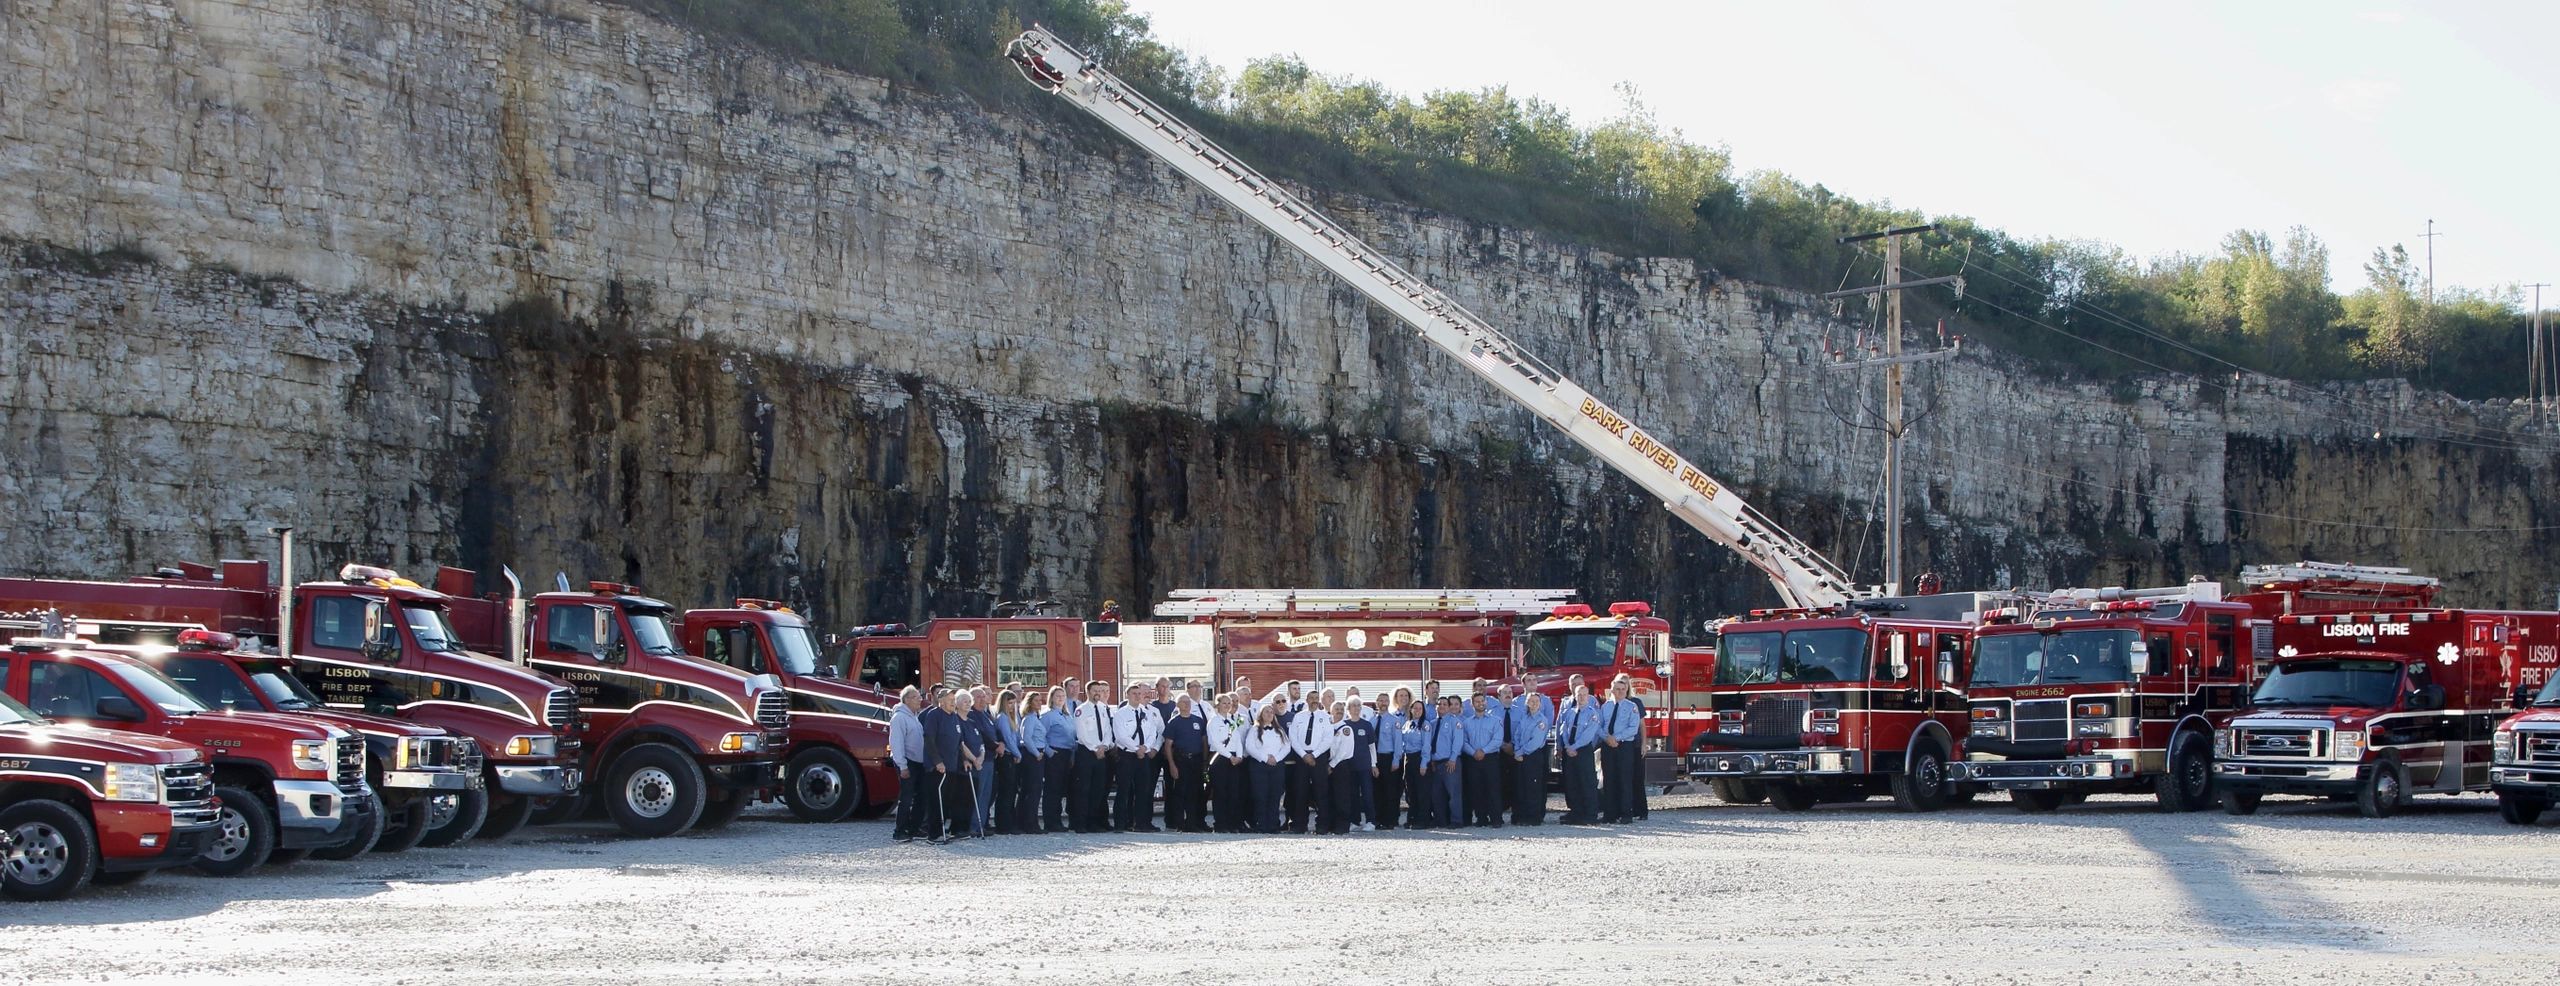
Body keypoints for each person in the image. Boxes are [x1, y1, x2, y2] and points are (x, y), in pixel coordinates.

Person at [1113, 683, 1163, 833]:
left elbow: (1152, 733)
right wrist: (1136, 749)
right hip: (1127, 755)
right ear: (1127, 695)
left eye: (1139, 694)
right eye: (1133, 694)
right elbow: (1121, 736)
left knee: (1144, 790)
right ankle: (1120, 824)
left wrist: (1145, 748)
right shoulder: (1121, 714)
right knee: (1124, 790)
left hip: (1143, 756)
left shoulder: (1147, 713)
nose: (1137, 696)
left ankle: (1141, 823)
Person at [1073, 680, 1117, 833]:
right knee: (1084, 789)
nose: (1098, 693)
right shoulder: (1081, 710)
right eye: (1094, 690)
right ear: (1088, 692)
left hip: (1101, 753)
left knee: (1098, 790)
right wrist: (1094, 748)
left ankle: (1093, 822)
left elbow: (1107, 730)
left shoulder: (1104, 709)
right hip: (1086, 752)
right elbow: (1081, 733)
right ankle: (1080, 824)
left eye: (1100, 690)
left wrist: (1104, 746)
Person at [1330, 696, 1378, 833]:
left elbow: (1371, 746)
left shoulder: (1366, 725)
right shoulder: (1343, 725)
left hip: (1364, 766)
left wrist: (1373, 764)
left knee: (1368, 794)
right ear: (1348, 708)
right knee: (1352, 795)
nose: (1356, 708)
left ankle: (1371, 821)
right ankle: (1355, 821)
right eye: (1353, 705)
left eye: (1358, 705)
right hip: (1349, 767)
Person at [1285, 693, 1331, 834]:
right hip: (1301, 757)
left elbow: (1328, 739)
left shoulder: (1325, 717)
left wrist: (1314, 755)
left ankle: (1322, 825)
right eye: (1311, 698)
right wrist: (1304, 755)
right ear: (1306, 700)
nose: (1314, 701)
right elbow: (1292, 737)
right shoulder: (1298, 717)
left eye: (1316, 699)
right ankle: (1299, 825)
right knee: (1300, 791)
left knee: (1321, 792)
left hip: (1319, 757)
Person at [1599, 679, 1644, 824]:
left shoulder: (1632, 707)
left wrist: (1616, 738)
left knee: (1625, 780)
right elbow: (1598, 726)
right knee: (1609, 779)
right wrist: (1607, 738)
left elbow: (1633, 727)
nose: (1620, 692)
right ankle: (1610, 814)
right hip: (1608, 746)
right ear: (1611, 690)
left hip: (1625, 746)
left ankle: (1626, 813)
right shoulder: (1605, 707)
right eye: (1617, 689)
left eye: (1623, 689)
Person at [1163, 694, 1209, 833]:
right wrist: (1172, 765)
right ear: (1177, 705)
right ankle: (1179, 823)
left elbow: (1204, 742)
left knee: (1195, 793)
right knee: (1180, 793)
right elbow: (1168, 745)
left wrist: (1205, 761)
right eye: (1183, 702)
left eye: (1188, 702)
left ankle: (1192, 823)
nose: (1187, 704)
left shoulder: (1198, 721)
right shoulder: (1174, 722)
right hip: (1181, 760)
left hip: (1196, 760)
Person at [1556, 685, 1601, 825]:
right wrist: (1567, 746)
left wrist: (1573, 747)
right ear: (1574, 696)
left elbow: (1588, 735)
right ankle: (1576, 812)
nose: (1581, 697)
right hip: (1570, 750)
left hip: (1583, 751)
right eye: (1578, 695)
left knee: (1586, 782)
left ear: (1588, 696)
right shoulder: (1570, 713)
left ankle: (1590, 814)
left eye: (1584, 695)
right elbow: (1564, 731)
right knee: (1572, 783)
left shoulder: (1592, 713)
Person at [888, 685, 928, 842]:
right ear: (906, 699)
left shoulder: (914, 717)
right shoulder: (899, 718)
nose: (920, 700)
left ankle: (914, 827)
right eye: (916, 697)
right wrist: (902, 766)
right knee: (906, 798)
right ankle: (899, 831)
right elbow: (896, 743)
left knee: (921, 796)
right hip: (908, 762)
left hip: (919, 762)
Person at [1243, 704, 1290, 834]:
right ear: (1261, 714)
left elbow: (1287, 746)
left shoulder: (1279, 730)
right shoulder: (1254, 730)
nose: (1269, 714)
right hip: (1259, 766)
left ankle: (1273, 825)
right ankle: (1261, 824)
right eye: (1266, 712)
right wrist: (1265, 758)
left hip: (1277, 765)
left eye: (1271, 712)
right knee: (1260, 795)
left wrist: (1277, 758)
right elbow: (1249, 747)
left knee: (1275, 796)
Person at [1207, 694, 1250, 833]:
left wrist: (1238, 755)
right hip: (1220, 758)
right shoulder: (1213, 722)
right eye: (1224, 703)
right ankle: (1220, 824)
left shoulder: (1232, 722)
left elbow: (1237, 739)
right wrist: (1229, 756)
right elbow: (1214, 742)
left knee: (1233, 792)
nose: (1227, 706)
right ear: (1217, 705)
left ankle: (1232, 823)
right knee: (1220, 793)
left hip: (1234, 760)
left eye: (1229, 703)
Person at [1509, 691, 1553, 826]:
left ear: (1540, 704)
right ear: (1527, 703)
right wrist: (1517, 750)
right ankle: (1521, 815)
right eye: (1531, 701)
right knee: (1521, 787)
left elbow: (1535, 741)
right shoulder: (1524, 718)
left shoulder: (1542, 721)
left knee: (1533, 787)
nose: (1533, 704)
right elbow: (1517, 735)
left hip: (1533, 756)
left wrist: (1520, 752)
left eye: (1536, 702)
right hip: (1520, 756)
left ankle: (1533, 817)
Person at [1462, 693, 1504, 827]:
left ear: (1486, 703)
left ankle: (1496, 819)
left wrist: (1483, 751)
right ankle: (1481, 818)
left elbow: (1497, 740)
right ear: (1472, 704)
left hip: (1490, 758)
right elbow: (1463, 741)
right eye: (1477, 701)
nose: (1480, 703)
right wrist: (1473, 752)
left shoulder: (1495, 720)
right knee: (1476, 789)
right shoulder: (1466, 722)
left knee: (1493, 789)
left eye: (1482, 701)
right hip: (1473, 759)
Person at [1039, 685, 1076, 832]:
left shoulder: (1067, 715)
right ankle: (1051, 821)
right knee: (1053, 789)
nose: (1061, 698)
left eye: (1062, 696)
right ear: (1051, 698)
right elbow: (1041, 735)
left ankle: (1059, 820)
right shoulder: (1047, 715)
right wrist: (1049, 751)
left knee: (1062, 789)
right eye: (1057, 696)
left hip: (1067, 754)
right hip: (1055, 754)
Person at [1372, 689, 1410, 830]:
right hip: (1376, 759)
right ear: (1376, 703)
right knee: (1377, 791)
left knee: (1391, 791)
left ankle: (1391, 820)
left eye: (1385, 700)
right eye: (1380, 700)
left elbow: (1398, 742)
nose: (1383, 703)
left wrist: (1396, 761)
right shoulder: (1372, 721)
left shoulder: (1395, 721)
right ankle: (1378, 819)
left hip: (1390, 759)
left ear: (1389, 703)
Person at [1427, 695, 1467, 829]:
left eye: (1445, 704)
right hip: (1436, 763)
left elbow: (1458, 741)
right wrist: (1432, 759)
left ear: (1449, 707)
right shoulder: (1432, 723)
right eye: (1440, 704)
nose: (1442, 706)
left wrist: (1453, 758)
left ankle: (1456, 821)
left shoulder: (1455, 722)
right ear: (1436, 707)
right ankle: (1440, 820)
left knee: (1454, 793)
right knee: (1436, 794)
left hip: (1450, 762)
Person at [956, 690, 992, 837]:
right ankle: (970, 826)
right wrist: (973, 759)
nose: (967, 703)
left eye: (968, 701)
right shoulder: (956, 720)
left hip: (981, 761)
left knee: (984, 795)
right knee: (973, 795)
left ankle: (980, 826)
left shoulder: (972, 722)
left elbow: (981, 742)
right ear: (957, 703)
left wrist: (981, 756)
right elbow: (961, 743)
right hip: (970, 764)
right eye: (964, 701)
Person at [986, 691, 1022, 835]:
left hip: (1011, 754)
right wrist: (1017, 753)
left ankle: (1009, 822)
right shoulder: (1002, 718)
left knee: (1011, 791)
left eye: (1014, 703)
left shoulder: (1011, 718)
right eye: (1009, 703)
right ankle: (1003, 824)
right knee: (1006, 791)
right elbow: (1007, 738)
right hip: (1006, 756)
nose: (1012, 706)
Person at [1014, 690, 1049, 834]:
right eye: (1036, 700)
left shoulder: (1036, 717)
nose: (1039, 703)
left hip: (1039, 753)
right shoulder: (1029, 718)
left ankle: (1026, 821)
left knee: (1033, 790)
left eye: (1040, 700)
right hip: (1032, 756)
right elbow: (1026, 738)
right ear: (1029, 703)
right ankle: (1029, 823)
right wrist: (1036, 753)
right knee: (1032, 790)